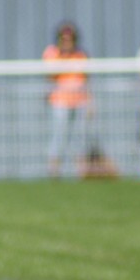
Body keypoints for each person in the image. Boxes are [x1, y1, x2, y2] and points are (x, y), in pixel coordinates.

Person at [42, 21, 90, 178]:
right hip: (59, 102)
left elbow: (85, 79)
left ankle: (81, 172)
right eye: (64, 39)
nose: (67, 42)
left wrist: (90, 102)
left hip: (79, 101)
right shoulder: (51, 53)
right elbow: (50, 74)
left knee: (80, 137)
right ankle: (54, 172)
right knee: (59, 136)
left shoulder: (80, 55)